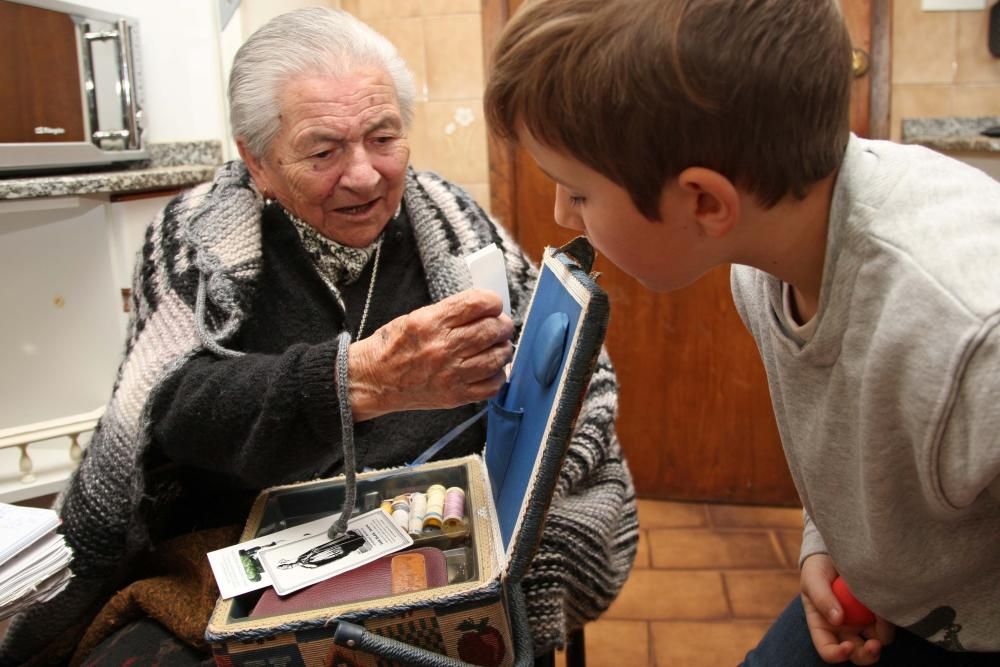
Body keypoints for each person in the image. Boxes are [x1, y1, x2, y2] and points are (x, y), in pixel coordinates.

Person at [0, 8, 638, 665]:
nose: (364, 175)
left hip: (434, 530)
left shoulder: (452, 222)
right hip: (236, 546)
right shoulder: (197, 240)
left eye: (383, 138)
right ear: (258, 160)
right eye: (324, 150)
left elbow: (562, 373)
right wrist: (358, 381)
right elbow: (170, 413)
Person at [483, 0, 1000, 665]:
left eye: (577, 192)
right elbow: (854, 438)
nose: (562, 215)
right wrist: (830, 543)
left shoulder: (968, 331)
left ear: (704, 202)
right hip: (896, 595)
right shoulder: (764, 259)